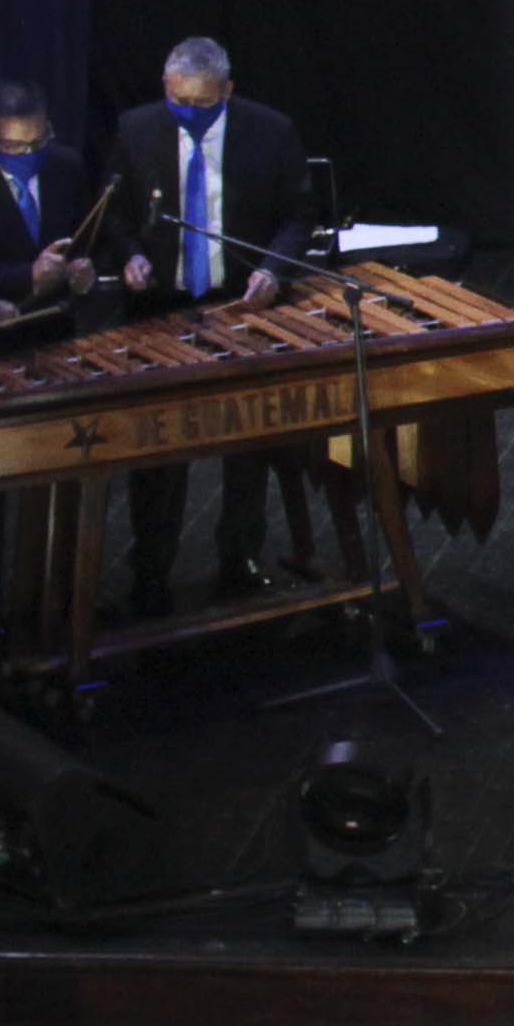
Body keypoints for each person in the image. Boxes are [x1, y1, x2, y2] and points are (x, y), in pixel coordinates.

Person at [102, 37, 314, 617]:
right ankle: (150, 570)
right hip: (158, 310)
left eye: (201, 104)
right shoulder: (135, 129)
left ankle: (241, 558)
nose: (188, 114)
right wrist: (128, 256)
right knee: (159, 452)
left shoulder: (270, 133)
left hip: (240, 303)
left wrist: (272, 270)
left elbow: (299, 216)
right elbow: (112, 213)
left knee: (247, 440)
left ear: (227, 91)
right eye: (177, 101)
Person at [0, 81, 97, 328]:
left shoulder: (67, 166)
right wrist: (28, 275)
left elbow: (87, 240)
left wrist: (84, 271)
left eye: (38, 141)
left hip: (57, 327)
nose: (29, 154)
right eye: (15, 146)